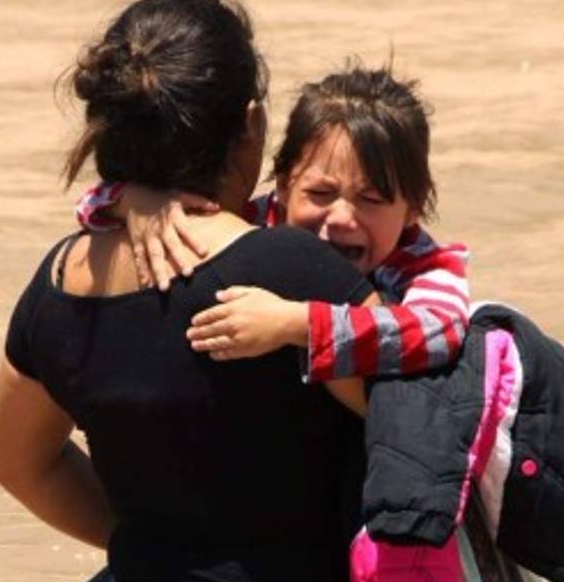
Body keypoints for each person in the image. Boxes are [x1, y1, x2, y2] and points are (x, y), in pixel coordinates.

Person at [0, 0, 376, 582]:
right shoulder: (290, 274)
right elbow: (424, 432)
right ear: (250, 124)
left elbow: (19, 464)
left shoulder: (58, 281)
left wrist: (161, 544)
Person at [75, 64, 472, 388]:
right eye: (320, 192)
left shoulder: (421, 265)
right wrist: (136, 202)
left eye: (371, 200)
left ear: (413, 210)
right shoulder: (252, 221)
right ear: (283, 183)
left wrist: (295, 324)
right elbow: (89, 210)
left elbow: (441, 331)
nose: (340, 217)